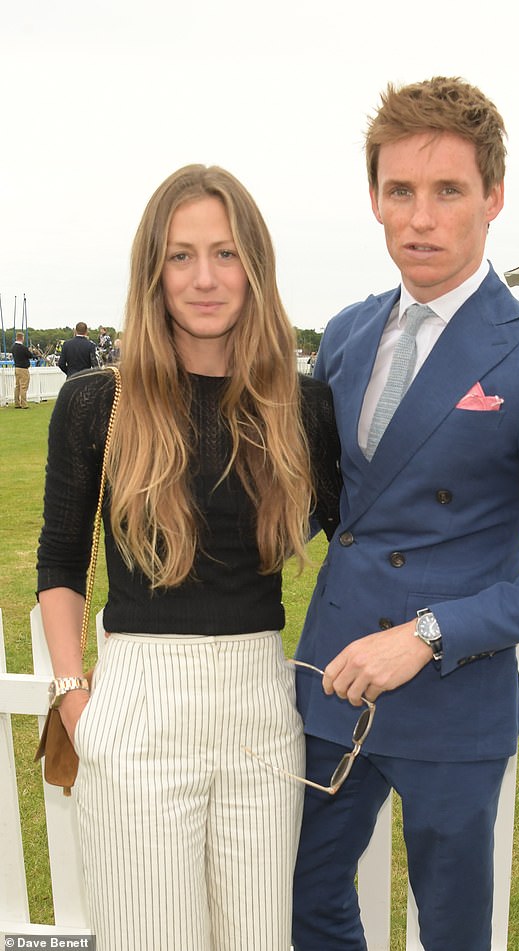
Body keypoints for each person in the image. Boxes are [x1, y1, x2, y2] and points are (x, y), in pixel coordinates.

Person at [291, 77, 519, 951]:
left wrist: (426, 633)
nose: (421, 218)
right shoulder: (349, 334)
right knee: (305, 904)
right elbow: (330, 505)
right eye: (400, 191)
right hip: (332, 685)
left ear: (493, 198)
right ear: (374, 198)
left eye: (448, 191)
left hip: (448, 692)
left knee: (453, 933)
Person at [36, 164, 341, 951]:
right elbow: (61, 560)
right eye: (181, 255)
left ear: (256, 267)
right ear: (153, 272)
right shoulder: (97, 402)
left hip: (262, 711)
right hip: (138, 705)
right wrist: (74, 694)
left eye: (226, 252)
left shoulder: (302, 407)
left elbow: (359, 537)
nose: (205, 278)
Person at [10, 331, 34, 408]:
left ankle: (17, 403)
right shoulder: (23, 348)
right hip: (23, 368)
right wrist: (30, 351)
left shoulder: (13, 347)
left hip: (17, 367)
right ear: (22, 338)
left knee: (17, 386)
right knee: (23, 386)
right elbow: (30, 356)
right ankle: (24, 404)